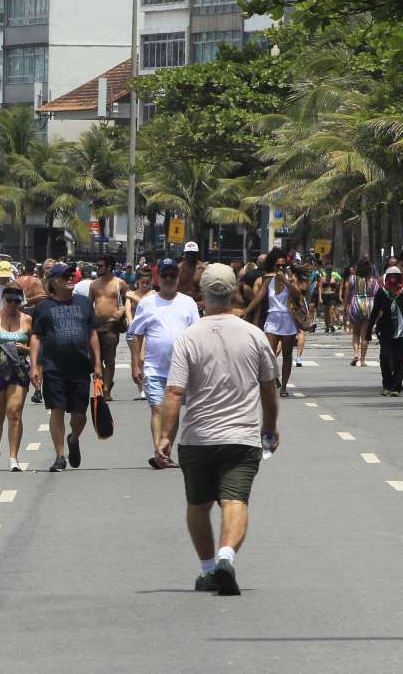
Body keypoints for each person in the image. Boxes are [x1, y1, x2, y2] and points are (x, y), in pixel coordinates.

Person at [156, 263, 279, 596]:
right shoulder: (254, 335)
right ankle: (227, 556)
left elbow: (175, 392)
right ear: (235, 292)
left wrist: (165, 436)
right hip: (242, 437)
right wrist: (270, 428)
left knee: (198, 504)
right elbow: (269, 388)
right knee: (234, 499)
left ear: (202, 294)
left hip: (197, 438)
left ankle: (209, 569)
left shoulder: (188, 337)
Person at [128, 257, 200, 469]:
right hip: (153, 367)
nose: (169, 279)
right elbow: (135, 333)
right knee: (158, 409)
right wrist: (136, 364)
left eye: (172, 275)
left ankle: (164, 450)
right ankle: (159, 453)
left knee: (173, 411)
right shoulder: (148, 303)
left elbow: (196, 334)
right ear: (158, 278)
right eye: (165, 275)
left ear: (178, 278)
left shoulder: (187, 303)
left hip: (180, 368)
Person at [30, 264, 101, 472]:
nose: (71, 278)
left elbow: (92, 334)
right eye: (66, 276)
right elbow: (36, 336)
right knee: (57, 410)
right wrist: (34, 365)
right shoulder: (44, 307)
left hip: (80, 367)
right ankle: (60, 456)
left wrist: (97, 363)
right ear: (54, 282)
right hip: (53, 367)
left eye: (72, 275)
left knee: (79, 415)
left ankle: (74, 438)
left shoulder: (85, 303)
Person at [0, 283, 32, 471]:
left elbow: (36, 346)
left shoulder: (27, 320)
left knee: (14, 413)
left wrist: (24, 349)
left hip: (18, 370)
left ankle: (13, 458)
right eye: (9, 300)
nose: (12, 304)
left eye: (16, 301)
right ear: (3, 299)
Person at [244, 249, 298, 396]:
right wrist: (246, 312)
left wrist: (286, 281)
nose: (280, 268)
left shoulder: (291, 279)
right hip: (273, 318)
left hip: (287, 319)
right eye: (277, 266)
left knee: (287, 355)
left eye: (282, 266)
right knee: (269, 353)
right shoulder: (268, 281)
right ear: (272, 266)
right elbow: (258, 298)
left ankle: (284, 387)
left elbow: (298, 295)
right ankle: (274, 378)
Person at [367, 266, 403, 397]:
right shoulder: (382, 293)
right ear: (387, 278)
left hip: (402, 333)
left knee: (398, 359)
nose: (393, 279)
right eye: (391, 276)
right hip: (386, 332)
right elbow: (374, 313)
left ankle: (396, 387)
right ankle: (386, 385)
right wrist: (368, 331)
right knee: (384, 357)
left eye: (396, 276)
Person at [89, 254, 129, 399]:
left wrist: (122, 310)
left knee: (109, 359)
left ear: (109, 267)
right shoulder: (94, 284)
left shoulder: (119, 283)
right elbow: (89, 304)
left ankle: (106, 389)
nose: (98, 268)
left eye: (100, 266)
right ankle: (102, 382)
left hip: (111, 325)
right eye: (97, 266)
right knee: (95, 358)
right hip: (95, 325)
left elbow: (130, 300)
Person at [124, 262, 154, 400]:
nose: (145, 285)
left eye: (147, 282)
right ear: (137, 282)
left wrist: (133, 297)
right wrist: (131, 323)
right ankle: (141, 389)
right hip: (134, 331)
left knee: (143, 358)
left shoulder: (153, 294)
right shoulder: (130, 295)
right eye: (142, 282)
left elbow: (145, 304)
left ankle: (148, 387)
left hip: (149, 330)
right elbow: (128, 311)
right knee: (135, 360)